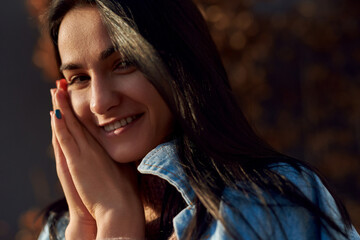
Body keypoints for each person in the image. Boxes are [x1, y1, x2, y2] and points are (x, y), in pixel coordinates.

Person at [38, 0, 360, 239]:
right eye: (79, 78)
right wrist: (98, 221)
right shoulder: (61, 229)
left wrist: (115, 219)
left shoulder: (265, 205)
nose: (99, 102)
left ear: (177, 62)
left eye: (124, 63)